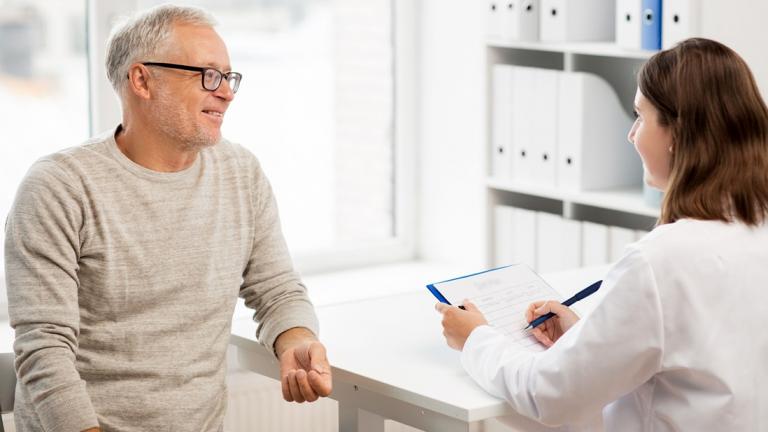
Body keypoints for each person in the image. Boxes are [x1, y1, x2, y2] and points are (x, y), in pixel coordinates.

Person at [4, 5, 332, 431]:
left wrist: (297, 340)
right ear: (142, 79)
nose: (226, 92)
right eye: (207, 75)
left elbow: (278, 291)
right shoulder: (59, 187)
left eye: (229, 77)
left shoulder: (240, 172)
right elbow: (43, 349)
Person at [437, 38, 768, 431]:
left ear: (676, 133)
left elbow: (550, 395)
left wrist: (476, 339)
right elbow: (700, 361)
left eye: (640, 117)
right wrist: (586, 339)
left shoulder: (661, 260)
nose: (632, 135)